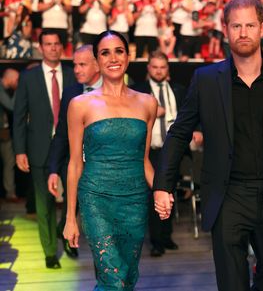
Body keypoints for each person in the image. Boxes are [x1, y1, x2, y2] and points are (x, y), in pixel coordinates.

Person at [153, 0, 263, 291]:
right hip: (227, 195)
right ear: (225, 29)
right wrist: (162, 185)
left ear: (262, 28)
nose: (243, 32)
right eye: (236, 26)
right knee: (231, 283)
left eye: (250, 25)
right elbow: (179, 132)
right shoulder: (205, 79)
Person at [63, 30, 157, 290]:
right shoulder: (80, 104)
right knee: (113, 277)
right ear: (97, 60)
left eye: (119, 51)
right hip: (96, 200)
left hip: (135, 200)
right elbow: (74, 164)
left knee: (127, 276)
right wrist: (71, 217)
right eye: (105, 52)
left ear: (128, 57)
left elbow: (145, 161)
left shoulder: (147, 103)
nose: (113, 58)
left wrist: (161, 191)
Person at [13, 30, 75, 269]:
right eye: (48, 44)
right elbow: (19, 116)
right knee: (44, 202)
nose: (52, 48)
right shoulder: (29, 78)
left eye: (57, 44)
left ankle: (65, 231)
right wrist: (20, 150)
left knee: (73, 198)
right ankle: (49, 251)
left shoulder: (72, 75)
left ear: (62, 47)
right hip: (39, 147)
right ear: (40, 47)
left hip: (68, 148)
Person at [133, 50, 202, 257]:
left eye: (162, 67)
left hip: (174, 151)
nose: (159, 71)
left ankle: (166, 236)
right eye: (155, 67)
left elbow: (192, 113)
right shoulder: (139, 91)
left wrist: (197, 129)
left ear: (168, 69)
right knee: (155, 193)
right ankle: (156, 241)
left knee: (169, 192)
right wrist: (153, 111)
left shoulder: (178, 90)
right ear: (148, 68)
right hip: (150, 150)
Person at [47, 45, 101, 259]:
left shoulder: (113, 88)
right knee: (74, 203)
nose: (76, 70)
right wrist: (53, 169)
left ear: (97, 64)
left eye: (82, 64)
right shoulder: (70, 92)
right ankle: (70, 236)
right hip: (75, 163)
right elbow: (61, 134)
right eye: (74, 65)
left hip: (104, 166)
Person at [0, 69, 18, 201]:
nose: (18, 83)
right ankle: (9, 192)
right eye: (17, 80)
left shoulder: (5, 90)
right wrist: (20, 90)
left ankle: (10, 192)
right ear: (10, 79)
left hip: (5, 132)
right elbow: (12, 106)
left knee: (9, 161)